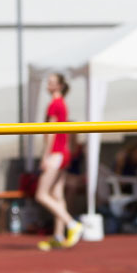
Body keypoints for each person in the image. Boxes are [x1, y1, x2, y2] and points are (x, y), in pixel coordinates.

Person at [35, 73, 83, 251]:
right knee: (57, 195)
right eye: (48, 82)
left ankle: (72, 224)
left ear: (60, 86)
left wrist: (45, 155)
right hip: (63, 152)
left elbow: (52, 131)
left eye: (52, 83)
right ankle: (58, 235)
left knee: (41, 194)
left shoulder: (55, 104)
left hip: (56, 153)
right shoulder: (62, 103)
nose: (48, 85)